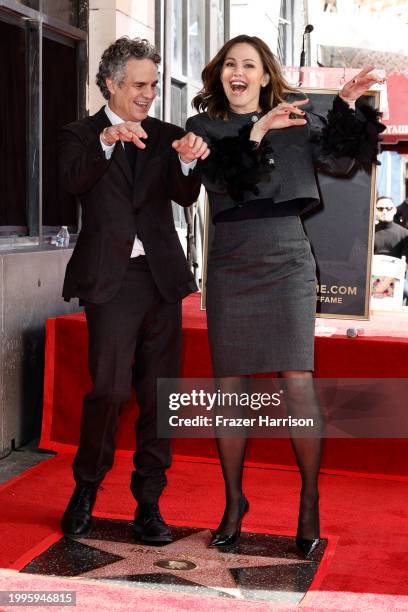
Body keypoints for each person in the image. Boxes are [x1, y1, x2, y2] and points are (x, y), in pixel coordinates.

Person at [186, 34, 384, 556]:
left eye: (249, 64)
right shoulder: (204, 127)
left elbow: (344, 160)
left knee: (298, 381)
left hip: (287, 259)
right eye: (230, 63)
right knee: (230, 388)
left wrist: (344, 104)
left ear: (265, 75)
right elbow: (225, 183)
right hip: (231, 262)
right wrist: (257, 130)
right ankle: (233, 503)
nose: (238, 71)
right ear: (220, 73)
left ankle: (310, 501)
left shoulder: (294, 120)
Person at [59, 37, 209, 543]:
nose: (148, 94)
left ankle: (149, 504)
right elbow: (73, 182)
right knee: (109, 390)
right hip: (111, 282)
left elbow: (185, 195)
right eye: (139, 85)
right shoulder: (79, 135)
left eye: (152, 85)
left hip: (162, 280)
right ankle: (86, 487)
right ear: (111, 84)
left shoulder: (168, 134)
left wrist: (190, 161)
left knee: (159, 397)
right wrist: (106, 142)